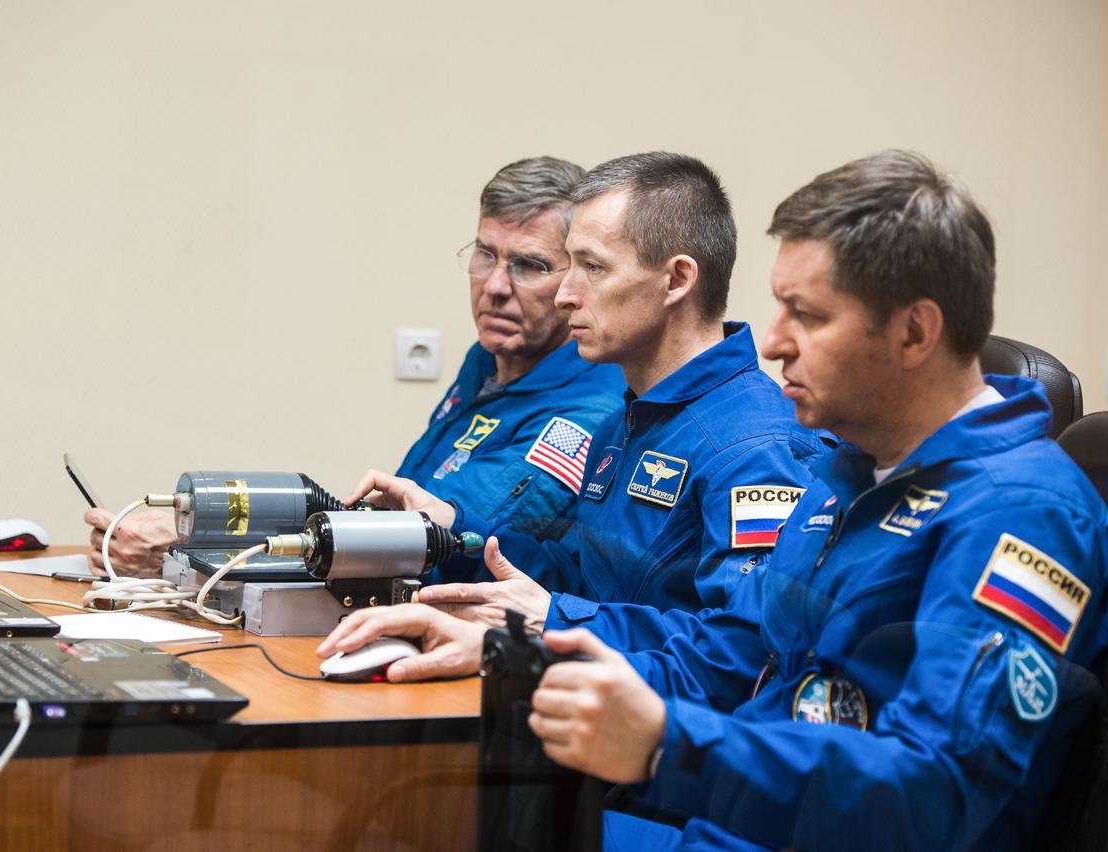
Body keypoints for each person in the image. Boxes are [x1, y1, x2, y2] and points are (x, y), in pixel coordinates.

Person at [320, 150, 1108, 850]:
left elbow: (937, 794)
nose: (772, 340)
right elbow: (735, 651)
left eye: (810, 315)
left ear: (914, 334)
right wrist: (525, 630)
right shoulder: (849, 472)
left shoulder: (1019, 512)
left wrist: (667, 745)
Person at [83, 157, 624, 577]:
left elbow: (427, 542)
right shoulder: (488, 358)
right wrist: (202, 528)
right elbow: (398, 512)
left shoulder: (587, 407)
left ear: (575, 277)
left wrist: (191, 549)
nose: (497, 286)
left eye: (529, 265)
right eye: (486, 255)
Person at [351, 152, 824, 613]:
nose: (564, 295)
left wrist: (554, 623)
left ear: (677, 280)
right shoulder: (624, 426)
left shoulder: (757, 446)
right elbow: (585, 586)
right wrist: (451, 530)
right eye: (568, 266)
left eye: (593, 268)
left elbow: (744, 651)